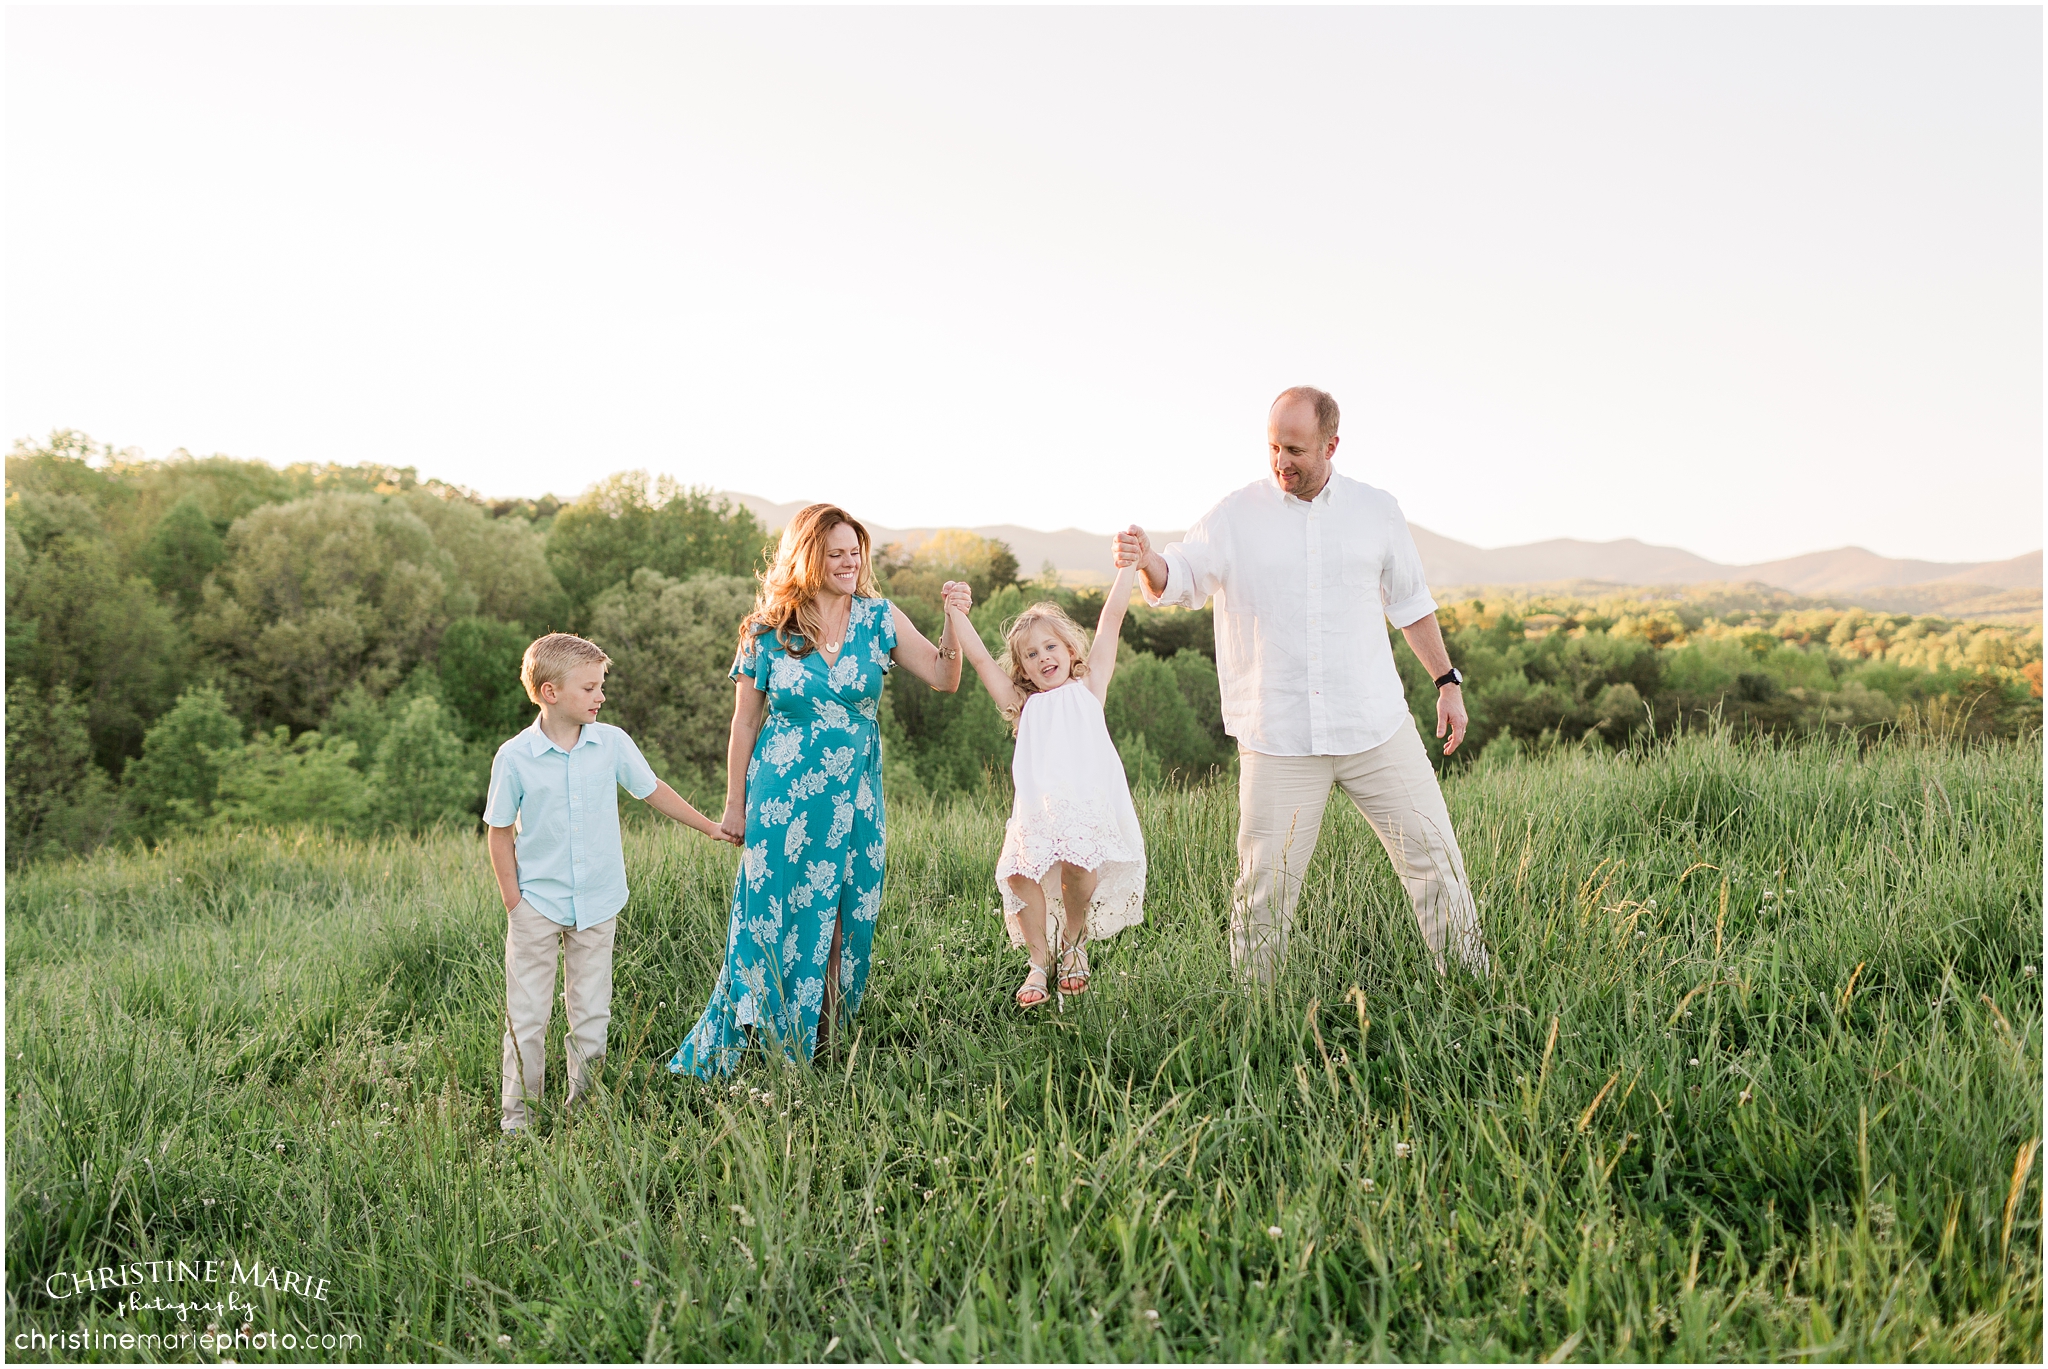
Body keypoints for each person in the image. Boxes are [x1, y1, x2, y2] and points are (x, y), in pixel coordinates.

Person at [1113, 385, 1491, 983]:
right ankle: (1256, 1016)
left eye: (1295, 449)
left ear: (1331, 445)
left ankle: (1472, 986)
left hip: (1374, 724)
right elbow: (1181, 576)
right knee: (1265, 889)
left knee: (1436, 861)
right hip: (1279, 734)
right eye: (1272, 447)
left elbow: (1411, 602)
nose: (1280, 461)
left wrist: (1447, 681)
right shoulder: (1237, 514)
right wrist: (1147, 560)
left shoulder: (1377, 510)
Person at [669, 504, 969, 1076]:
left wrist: (953, 619)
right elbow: (744, 724)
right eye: (835, 554)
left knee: (843, 918)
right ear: (807, 557)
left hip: (853, 802)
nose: (849, 563)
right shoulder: (767, 630)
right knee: (768, 921)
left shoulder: (879, 619)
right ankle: (755, 1045)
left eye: (855, 552)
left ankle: (820, 1048)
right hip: (779, 799)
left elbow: (943, 677)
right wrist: (734, 805)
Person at [485, 632, 737, 1134]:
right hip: (536, 905)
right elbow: (497, 833)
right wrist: (515, 903)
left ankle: (584, 1114)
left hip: (599, 901)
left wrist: (710, 825)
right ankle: (519, 1123)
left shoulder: (612, 743)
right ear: (550, 692)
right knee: (528, 1020)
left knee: (591, 1016)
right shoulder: (514, 757)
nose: (601, 696)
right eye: (590, 688)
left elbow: (653, 791)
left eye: (602, 686)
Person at [949, 564, 1147, 1007]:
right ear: (1022, 669)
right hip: (1036, 812)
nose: (1044, 658)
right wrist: (956, 611)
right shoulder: (1023, 706)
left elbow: (1111, 619)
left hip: (1084, 806)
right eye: (1031, 655)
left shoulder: (1090, 685)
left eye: (1050, 646)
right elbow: (980, 659)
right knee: (1020, 875)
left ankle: (1073, 945)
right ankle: (1039, 961)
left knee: (1078, 869)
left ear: (1070, 648)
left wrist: (1127, 568)